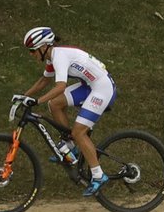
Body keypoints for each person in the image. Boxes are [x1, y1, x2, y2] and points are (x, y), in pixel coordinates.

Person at [14, 26, 117, 196]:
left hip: (102, 88)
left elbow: (60, 86)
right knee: (54, 104)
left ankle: (99, 175)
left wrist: (37, 101)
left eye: (32, 50)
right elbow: (44, 81)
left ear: (43, 46)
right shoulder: (52, 57)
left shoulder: (59, 57)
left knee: (79, 133)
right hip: (89, 86)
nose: (31, 54)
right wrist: (23, 96)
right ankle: (71, 146)